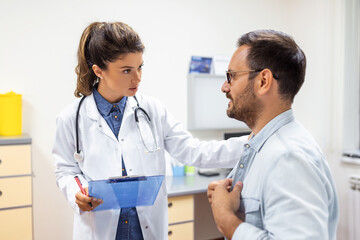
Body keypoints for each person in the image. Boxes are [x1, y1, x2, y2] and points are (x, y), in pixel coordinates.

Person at [52, 21, 246, 240]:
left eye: (140, 67)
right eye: (126, 70)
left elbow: (194, 151)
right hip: (101, 229)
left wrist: (251, 143)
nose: (137, 78)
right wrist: (77, 192)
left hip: (145, 231)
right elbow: (66, 170)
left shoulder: (153, 110)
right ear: (99, 70)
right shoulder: (71, 118)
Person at [207, 30, 339, 240]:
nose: (224, 87)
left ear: (263, 81)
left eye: (231, 76)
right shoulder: (261, 146)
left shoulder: (288, 158)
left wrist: (226, 219)